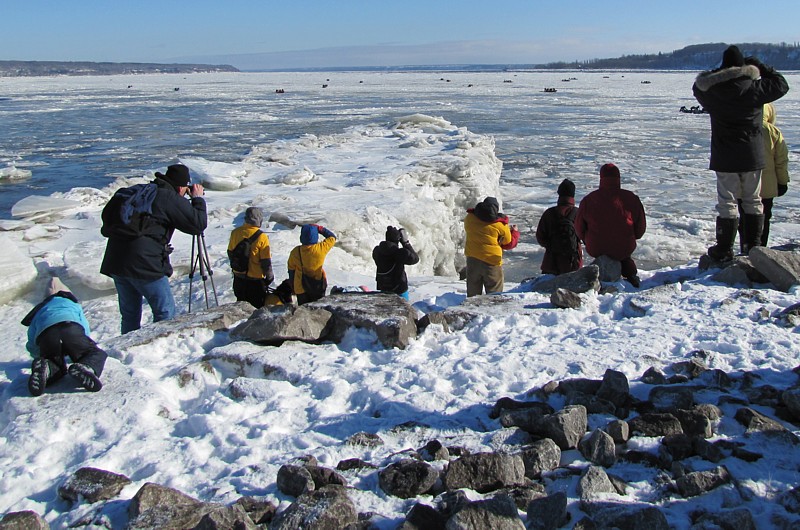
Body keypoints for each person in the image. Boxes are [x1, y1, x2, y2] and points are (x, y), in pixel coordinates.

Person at [692, 45, 789, 261]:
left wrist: (718, 73)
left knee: (727, 202)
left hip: (724, 155)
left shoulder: (714, 93)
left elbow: (698, 87)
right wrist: (761, 67)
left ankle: (724, 248)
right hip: (752, 156)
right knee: (753, 200)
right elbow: (781, 85)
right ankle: (752, 248)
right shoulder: (754, 89)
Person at [100, 163, 208, 334]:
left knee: (130, 315)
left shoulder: (143, 191)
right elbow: (197, 224)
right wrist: (197, 199)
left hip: (116, 259)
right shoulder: (167, 197)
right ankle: (159, 346)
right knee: (165, 312)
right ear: (181, 187)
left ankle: (126, 348)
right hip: (144, 263)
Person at [21, 277, 107, 396]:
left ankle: (47, 367)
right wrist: (84, 347)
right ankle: (86, 366)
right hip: (71, 328)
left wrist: (39, 355)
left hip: (47, 335)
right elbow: (84, 328)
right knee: (95, 353)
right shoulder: (72, 305)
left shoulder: (40, 310)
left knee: (56, 364)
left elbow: (32, 340)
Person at [574, 163, 646, 287]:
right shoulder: (632, 198)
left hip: (596, 247)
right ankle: (630, 274)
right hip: (625, 246)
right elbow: (640, 229)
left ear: (601, 178)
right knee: (623, 254)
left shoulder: (589, 200)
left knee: (607, 250)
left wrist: (586, 239)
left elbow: (579, 228)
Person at [737, 103, 790, 250]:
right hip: (766, 186)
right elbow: (781, 161)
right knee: (764, 218)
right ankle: (761, 250)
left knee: (745, 217)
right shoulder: (773, 131)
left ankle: (745, 249)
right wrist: (782, 182)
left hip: (744, 185)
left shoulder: (739, 128)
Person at [463, 196, 520, 297]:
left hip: (472, 260)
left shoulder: (470, 218)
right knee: (494, 293)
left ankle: (472, 310)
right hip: (491, 262)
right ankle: (492, 311)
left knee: (473, 293)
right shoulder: (500, 226)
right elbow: (508, 243)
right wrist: (514, 232)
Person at [227, 207, 274, 308]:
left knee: (241, 310)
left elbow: (230, 253)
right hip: (255, 281)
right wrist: (269, 277)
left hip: (238, 279)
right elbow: (266, 262)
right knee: (257, 310)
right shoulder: (262, 237)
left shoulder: (235, 233)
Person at [535, 179, 583, 275]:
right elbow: (585, 235)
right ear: (573, 194)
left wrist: (552, 245)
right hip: (573, 264)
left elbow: (540, 237)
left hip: (551, 263)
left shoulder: (549, 213)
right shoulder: (578, 213)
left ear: (559, 194)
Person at [288, 224, 337, 305]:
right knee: (318, 310)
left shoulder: (295, 252)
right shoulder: (321, 248)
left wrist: (292, 287)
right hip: (317, 287)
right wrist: (320, 229)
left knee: (303, 312)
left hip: (300, 288)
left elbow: (291, 271)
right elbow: (332, 237)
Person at [373, 226, 420, 299]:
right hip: (399, 289)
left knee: (385, 308)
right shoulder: (399, 253)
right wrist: (405, 243)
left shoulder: (377, 251)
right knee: (404, 309)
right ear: (398, 239)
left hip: (383, 287)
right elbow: (415, 259)